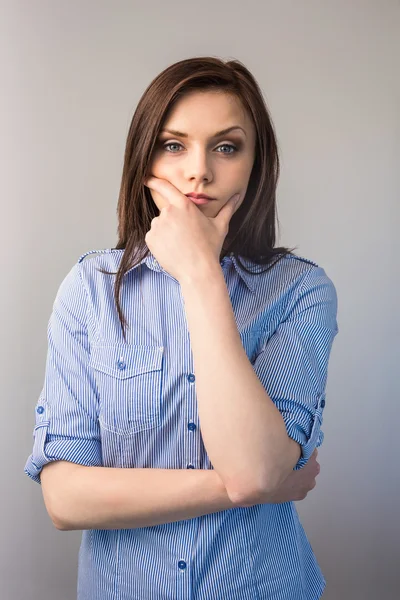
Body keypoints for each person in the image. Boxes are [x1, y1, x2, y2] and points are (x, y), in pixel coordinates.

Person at [24, 56, 339, 600]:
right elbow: (65, 500)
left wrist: (200, 276)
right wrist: (247, 488)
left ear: (254, 164)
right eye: (174, 145)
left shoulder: (300, 292)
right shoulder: (91, 289)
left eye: (226, 146)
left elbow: (257, 466)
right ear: (144, 159)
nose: (199, 172)